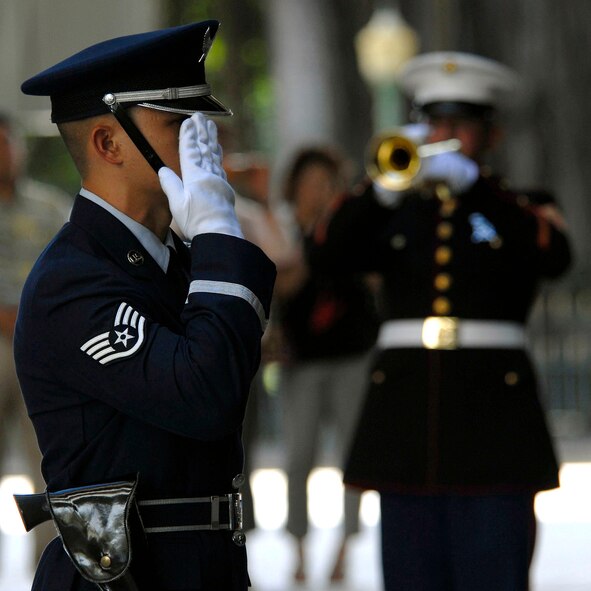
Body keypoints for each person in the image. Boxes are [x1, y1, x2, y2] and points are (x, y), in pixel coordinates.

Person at [14, 20, 275, 591]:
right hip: (124, 580)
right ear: (108, 143)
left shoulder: (179, 260)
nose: (203, 140)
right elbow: (206, 395)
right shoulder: (73, 281)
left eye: (204, 121)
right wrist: (219, 237)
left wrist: (210, 243)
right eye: (178, 122)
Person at [307, 52, 572, 590]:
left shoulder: (519, 205)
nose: (442, 136)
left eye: (459, 125)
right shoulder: (395, 209)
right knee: (410, 574)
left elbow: (554, 256)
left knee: (494, 571)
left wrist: (476, 188)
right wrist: (379, 192)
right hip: (405, 416)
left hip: (494, 421)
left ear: (489, 135)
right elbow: (327, 253)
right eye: (433, 123)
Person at [276, 146, 380, 584]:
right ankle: (298, 546)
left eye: (328, 184)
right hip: (301, 361)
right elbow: (283, 283)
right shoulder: (281, 227)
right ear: (296, 187)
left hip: (352, 355)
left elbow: (374, 278)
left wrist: (339, 228)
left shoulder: (349, 227)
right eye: (313, 183)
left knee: (352, 456)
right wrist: (314, 238)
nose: (320, 191)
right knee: (299, 455)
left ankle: (344, 546)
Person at [0, 111, 71, 567]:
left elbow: (72, 272)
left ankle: (48, 561)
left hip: (40, 349)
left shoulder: (50, 208)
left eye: (8, 144)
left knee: (47, 461)